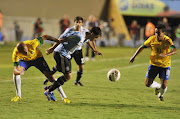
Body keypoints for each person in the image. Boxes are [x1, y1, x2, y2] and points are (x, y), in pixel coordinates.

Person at [43, 26, 103, 100]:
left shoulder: (86, 35)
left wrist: (94, 50)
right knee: (67, 76)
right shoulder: (79, 36)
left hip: (66, 55)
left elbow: (88, 41)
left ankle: (49, 88)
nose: (95, 39)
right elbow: (63, 38)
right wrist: (52, 48)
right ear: (92, 34)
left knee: (67, 76)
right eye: (96, 37)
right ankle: (48, 91)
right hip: (61, 53)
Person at [11, 35, 69, 103]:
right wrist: (19, 72)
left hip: (38, 59)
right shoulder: (15, 53)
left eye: (26, 51)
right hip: (25, 61)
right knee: (15, 74)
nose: (26, 53)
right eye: (24, 53)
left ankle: (64, 97)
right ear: (19, 51)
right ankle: (18, 96)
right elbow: (16, 68)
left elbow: (45, 37)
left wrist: (57, 41)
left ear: (26, 47)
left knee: (51, 78)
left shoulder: (32, 43)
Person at [129, 24, 177, 101]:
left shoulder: (167, 40)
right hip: (154, 64)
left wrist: (166, 54)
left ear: (163, 33)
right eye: (155, 32)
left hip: (165, 65)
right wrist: (133, 56)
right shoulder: (151, 39)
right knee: (147, 84)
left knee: (164, 85)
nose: (156, 34)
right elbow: (142, 47)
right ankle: (158, 86)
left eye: (158, 33)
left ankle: (160, 95)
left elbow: (174, 50)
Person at [44, 16, 91, 86]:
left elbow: (89, 40)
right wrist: (52, 48)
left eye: (79, 22)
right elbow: (61, 38)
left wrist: (94, 49)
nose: (78, 24)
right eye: (76, 22)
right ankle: (49, 80)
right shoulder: (70, 30)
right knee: (63, 70)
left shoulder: (85, 31)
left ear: (82, 23)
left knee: (81, 67)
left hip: (78, 51)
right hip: (67, 50)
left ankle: (77, 81)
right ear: (74, 22)